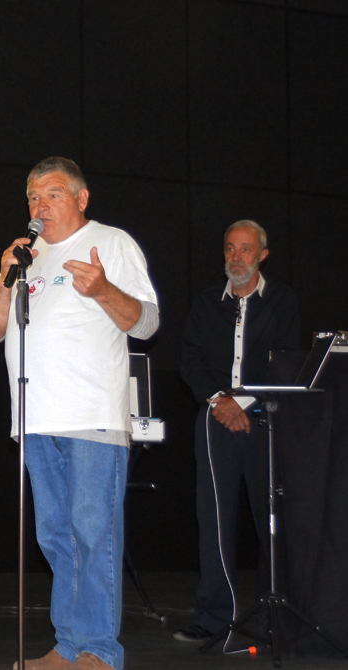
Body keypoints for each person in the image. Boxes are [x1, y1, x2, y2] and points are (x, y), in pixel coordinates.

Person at [0, 157, 159, 670]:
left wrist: (102, 289)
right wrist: (4, 279)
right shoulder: (23, 258)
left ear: (82, 199)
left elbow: (146, 323)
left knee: (92, 531)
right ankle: (68, 647)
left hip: (91, 415)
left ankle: (100, 650)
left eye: (53, 194)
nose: (40, 206)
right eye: (34, 197)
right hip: (34, 420)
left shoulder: (112, 243)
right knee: (55, 537)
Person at [173, 220, 300, 645]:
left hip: (264, 421)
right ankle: (214, 619)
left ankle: (276, 622)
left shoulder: (282, 301)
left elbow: (284, 359)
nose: (236, 257)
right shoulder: (207, 302)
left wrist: (241, 403)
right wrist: (218, 400)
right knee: (213, 521)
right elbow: (189, 358)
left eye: (245, 249)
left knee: (272, 523)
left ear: (262, 254)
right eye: (230, 248)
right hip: (214, 421)